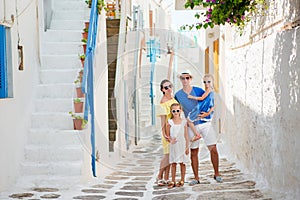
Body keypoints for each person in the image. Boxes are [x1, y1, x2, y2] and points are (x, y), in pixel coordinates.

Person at [175, 70, 223, 185]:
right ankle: (196, 178)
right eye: (183, 78)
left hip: (205, 123)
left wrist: (208, 113)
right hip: (191, 126)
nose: (185, 80)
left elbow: (212, 101)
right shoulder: (178, 95)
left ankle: (217, 174)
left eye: (187, 78)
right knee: (194, 152)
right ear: (180, 80)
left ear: (190, 79)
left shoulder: (198, 90)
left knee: (213, 149)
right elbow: (176, 109)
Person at [155, 79, 178, 186]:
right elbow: (163, 121)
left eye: (170, 86)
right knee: (167, 155)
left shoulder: (174, 99)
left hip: (175, 130)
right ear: (162, 90)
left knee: (171, 155)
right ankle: (159, 175)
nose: (168, 89)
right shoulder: (163, 103)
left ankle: (166, 177)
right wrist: (165, 134)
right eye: (166, 87)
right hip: (168, 131)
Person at [165, 103, 189, 189]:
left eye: (177, 111)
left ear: (180, 111)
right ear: (171, 111)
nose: (175, 112)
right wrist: (171, 140)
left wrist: (187, 147)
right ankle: (173, 180)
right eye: (173, 111)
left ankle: (182, 179)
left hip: (182, 145)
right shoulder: (170, 122)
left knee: (182, 163)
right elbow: (167, 135)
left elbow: (186, 135)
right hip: (174, 146)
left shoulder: (184, 122)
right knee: (174, 163)